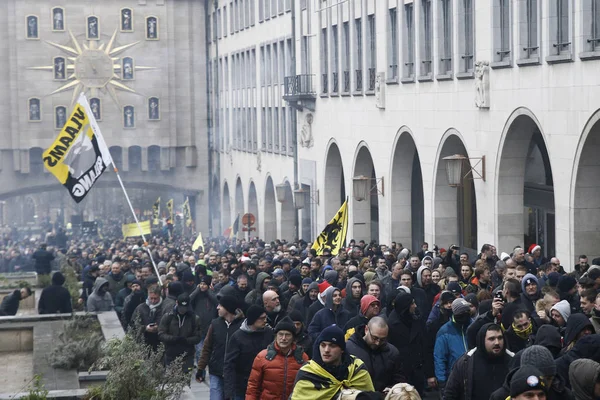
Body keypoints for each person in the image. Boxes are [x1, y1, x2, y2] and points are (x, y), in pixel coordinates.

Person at [291, 325, 374, 399]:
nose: (326, 350)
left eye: (332, 345)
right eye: (323, 345)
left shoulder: (357, 369)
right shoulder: (308, 373)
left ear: (342, 349)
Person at [444, 323, 514, 400]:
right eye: (491, 339)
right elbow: (450, 393)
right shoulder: (466, 362)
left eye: (500, 338)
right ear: (482, 340)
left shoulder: (513, 360)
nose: (497, 342)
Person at [246, 317, 309, 400]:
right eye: (280, 334)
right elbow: (253, 387)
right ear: (276, 336)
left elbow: (307, 387)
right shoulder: (262, 357)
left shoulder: (302, 357)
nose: (283, 338)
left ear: (293, 337)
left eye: (287, 335)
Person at [387, 291, 434, 395]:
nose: (415, 306)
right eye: (412, 303)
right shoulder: (391, 325)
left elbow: (426, 347)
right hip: (401, 375)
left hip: (417, 371)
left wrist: (429, 373)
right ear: (405, 306)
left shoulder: (417, 319)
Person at [223, 305, 274, 400]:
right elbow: (229, 364)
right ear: (253, 319)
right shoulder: (237, 337)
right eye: (262, 318)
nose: (265, 320)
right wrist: (229, 391)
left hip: (264, 385)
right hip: (242, 386)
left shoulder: (268, 333)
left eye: (265, 317)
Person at [197, 295, 244, 394]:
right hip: (216, 370)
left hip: (235, 373)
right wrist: (200, 368)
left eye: (220, 305)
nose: (217, 307)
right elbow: (207, 347)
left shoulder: (242, 326)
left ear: (228, 308)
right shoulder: (215, 324)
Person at [346, 317, 404, 392]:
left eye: (382, 340)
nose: (378, 343)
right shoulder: (349, 349)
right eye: (374, 338)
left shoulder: (392, 353)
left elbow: (399, 380)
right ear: (366, 329)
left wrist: (392, 390)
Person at [434, 298, 472, 391]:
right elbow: (439, 357)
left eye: (467, 312)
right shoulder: (444, 331)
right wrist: (442, 381)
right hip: (453, 379)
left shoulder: (473, 327)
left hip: (473, 377)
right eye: (461, 313)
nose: (465, 316)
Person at [158, 293, 202, 373]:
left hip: (187, 355)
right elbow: (161, 334)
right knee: (171, 380)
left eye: (185, 307)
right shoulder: (168, 317)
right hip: (170, 354)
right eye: (181, 307)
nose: (183, 310)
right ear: (177, 303)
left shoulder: (194, 319)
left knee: (185, 378)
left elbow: (198, 337)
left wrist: (186, 340)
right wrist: (173, 339)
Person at [131, 285, 165, 351]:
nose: (153, 301)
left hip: (159, 343)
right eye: (151, 298)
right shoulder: (141, 308)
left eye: (155, 298)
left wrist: (159, 328)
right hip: (143, 342)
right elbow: (133, 324)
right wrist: (145, 328)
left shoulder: (164, 308)